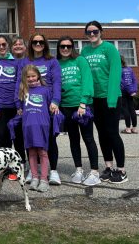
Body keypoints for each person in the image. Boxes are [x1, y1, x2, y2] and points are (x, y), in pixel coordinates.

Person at [81, 20, 128, 184]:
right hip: (94, 99)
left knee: (112, 132)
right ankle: (108, 167)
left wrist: (112, 99)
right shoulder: (84, 51)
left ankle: (121, 170)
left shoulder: (109, 49)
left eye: (95, 31)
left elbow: (115, 74)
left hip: (110, 97)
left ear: (101, 32)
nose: (92, 34)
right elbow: (84, 75)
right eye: (89, 32)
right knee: (101, 133)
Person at [17, 33, 62, 185]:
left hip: (48, 104)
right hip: (30, 106)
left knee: (49, 140)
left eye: (41, 42)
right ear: (31, 44)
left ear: (45, 44)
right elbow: (19, 84)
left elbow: (57, 82)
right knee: (31, 140)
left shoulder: (52, 61)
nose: (38, 44)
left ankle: (53, 171)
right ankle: (34, 171)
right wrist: (19, 105)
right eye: (35, 42)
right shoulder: (24, 61)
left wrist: (55, 101)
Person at [57, 36, 100, 186]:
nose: (66, 49)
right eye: (62, 46)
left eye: (68, 46)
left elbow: (87, 81)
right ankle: (79, 169)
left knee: (88, 138)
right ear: (59, 48)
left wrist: (83, 103)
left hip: (82, 105)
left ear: (72, 47)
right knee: (73, 139)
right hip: (66, 106)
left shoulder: (80, 60)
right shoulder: (57, 64)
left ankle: (94, 171)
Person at [0, 36, 25, 176]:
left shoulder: (15, 61)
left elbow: (19, 83)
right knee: (2, 136)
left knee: (18, 137)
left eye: (3, 44)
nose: (1, 47)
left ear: (8, 45)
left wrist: (18, 104)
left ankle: (16, 167)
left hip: (15, 106)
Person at [17, 65, 54, 192]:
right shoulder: (23, 91)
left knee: (42, 152)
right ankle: (34, 177)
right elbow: (20, 106)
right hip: (27, 125)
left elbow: (50, 106)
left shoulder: (45, 90)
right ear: (24, 78)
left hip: (42, 125)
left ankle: (44, 179)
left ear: (38, 75)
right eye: (28, 77)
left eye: (33, 76)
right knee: (31, 152)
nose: (31, 79)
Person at [120, 55, 139, 134]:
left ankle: (128, 128)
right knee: (132, 109)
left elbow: (122, 82)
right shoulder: (130, 69)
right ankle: (134, 128)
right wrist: (133, 90)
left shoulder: (118, 70)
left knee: (125, 109)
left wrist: (129, 90)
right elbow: (135, 80)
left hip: (123, 91)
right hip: (131, 91)